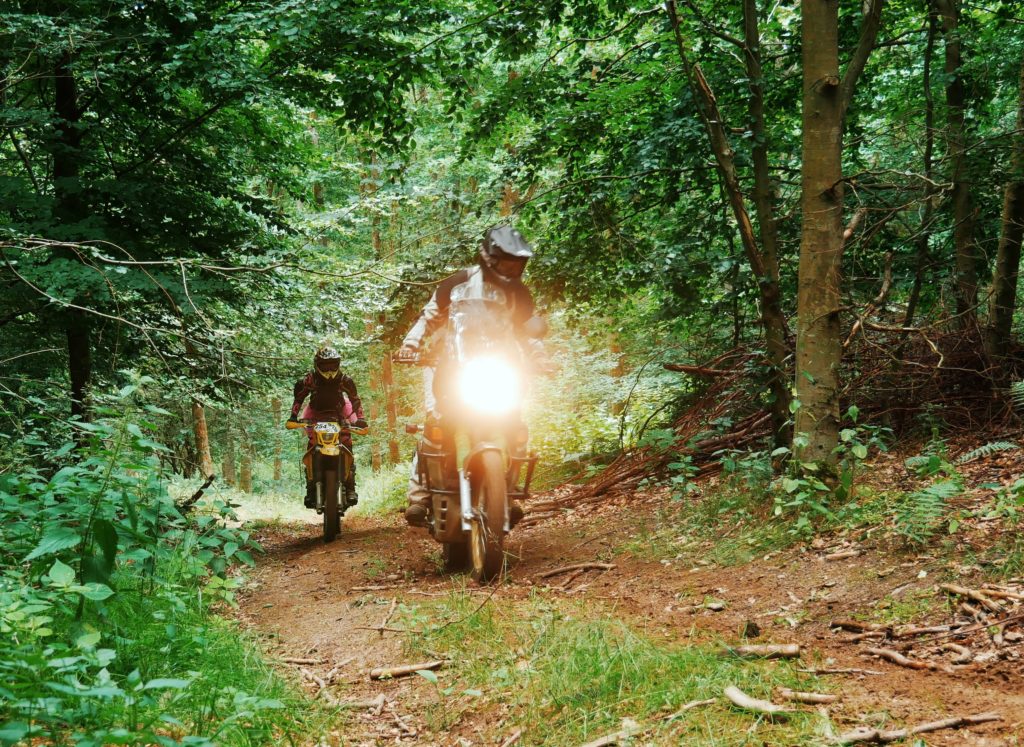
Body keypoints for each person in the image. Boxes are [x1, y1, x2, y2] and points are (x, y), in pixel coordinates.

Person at [396, 225, 543, 527]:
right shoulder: (458, 282)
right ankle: (420, 495)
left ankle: (508, 492)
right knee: (435, 421)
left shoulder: (518, 292)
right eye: (506, 262)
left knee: (514, 424)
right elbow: (430, 316)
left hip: (497, 369)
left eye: (517, 263)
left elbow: (527, 330)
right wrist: (411, 345)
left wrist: (540, 355)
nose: (512, 269)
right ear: (489, 258)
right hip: (452, 365)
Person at [287, 344, 367, 508]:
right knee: (312, 444)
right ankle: (310, 489)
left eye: (333, 365)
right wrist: (293, 417)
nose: (329, 370)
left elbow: (355, 399)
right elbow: (299, 398)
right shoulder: (309, 380)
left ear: (338, 364)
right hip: (315, 413)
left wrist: (361, 419)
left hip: (341, 412)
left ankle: (350, 487)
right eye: (325, 366)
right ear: (317, 365)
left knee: (345, 441)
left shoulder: (345, 380)